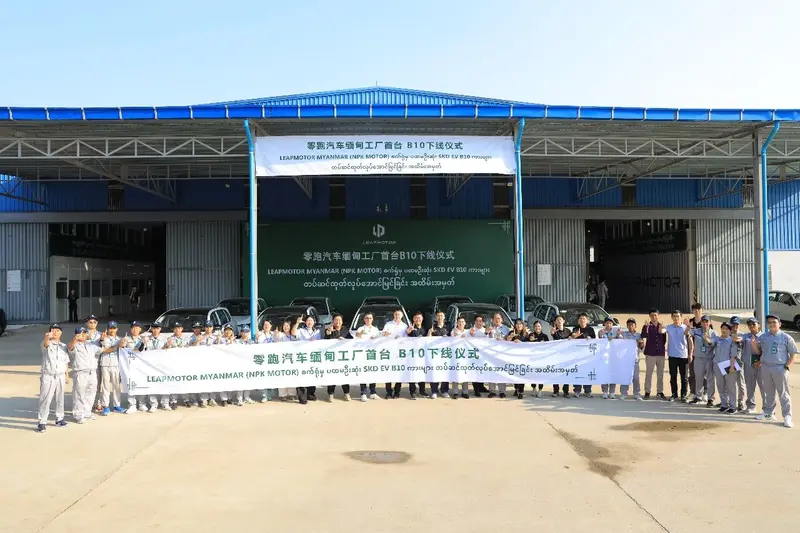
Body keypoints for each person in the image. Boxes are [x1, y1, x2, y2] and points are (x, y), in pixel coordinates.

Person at [751, 314, 796, 428]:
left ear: (779, 324)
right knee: (769, 392)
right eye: (769, 322)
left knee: (783, 393)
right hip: (766, 367)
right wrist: (754, 345)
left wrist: (786, 366)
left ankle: (787, 416)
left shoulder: (786, 337)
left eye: (774, 322)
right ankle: (769, 414)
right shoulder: (764, 337)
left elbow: (793, 353)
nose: (771, 324)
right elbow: (759, 352)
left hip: (779, 368)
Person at [68, 326, 105, 423]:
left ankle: (87, 412)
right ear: (76, 335)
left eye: (84, 333)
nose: (83, 335)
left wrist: (101, 340)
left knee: (91, 393)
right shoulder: (74, 345)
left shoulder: (90, 345)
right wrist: (75, 339)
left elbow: (100, 350)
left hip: (92, 372)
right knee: (79, 395)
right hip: (81, 373)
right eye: (80, 333)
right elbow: (70, 348)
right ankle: (78, 415)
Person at [37, 324, 70, 432]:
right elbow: (46, 344)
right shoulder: (46, 343)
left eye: (57, 330)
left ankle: (59, 419)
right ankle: (42, 422)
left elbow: (65, 362)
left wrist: (67, 375)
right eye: (53, 330)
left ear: (61, 333)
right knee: (45, 399)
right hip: (48, 375)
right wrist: (47, 336)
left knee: (60, 398)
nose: (55, 332)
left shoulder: (64, 346)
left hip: (60, 375)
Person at [123, 321, 153, 413]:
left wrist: (144, 342)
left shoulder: (145, 339)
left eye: (137, 327)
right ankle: (132, 405)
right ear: (130, 329)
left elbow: (149, 352)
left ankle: (142, 404)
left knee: (142, 384)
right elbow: (133, 350)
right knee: (131, 385)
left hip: (142, 366)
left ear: (140, 329)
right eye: (133, 327)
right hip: (130, 365)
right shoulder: (126, 339)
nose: (134, 329)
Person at [710, 322, 738, 414]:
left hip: (728, 365)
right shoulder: (717, 339)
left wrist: (732, 366)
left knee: (730, 387)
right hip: (717, 365)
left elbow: (733, 355)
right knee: (720, 386)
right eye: (723, 328)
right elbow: (710, 342)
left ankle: (733, 406)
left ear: (730, 331)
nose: (724, 330)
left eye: (726, 329)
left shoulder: (732, 341)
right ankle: (724, 405)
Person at [689, 315, 717, 407]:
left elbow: (712, 344)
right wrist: (688, 327)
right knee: (698, 378)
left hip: (709, 359)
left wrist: (706, 339)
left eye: (707, 321)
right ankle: (698, 397)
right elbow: (687, 333)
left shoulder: (713, 333)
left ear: (710, 323)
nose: (705, 323)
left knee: (710, 379)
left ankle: (710, 399)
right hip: (698, 358)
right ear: (701, 323)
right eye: (703, 321)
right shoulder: (696, 331)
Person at [99, 321, 125, 415]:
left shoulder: (120, 339)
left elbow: (124, 351)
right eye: (110, 328)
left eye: (114, 328)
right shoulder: (103, 338)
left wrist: (122, 346)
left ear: (117, 329)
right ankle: (105, 406)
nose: (112, 330)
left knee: (116, 386)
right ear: (107, 329)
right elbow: (103, 350)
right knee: (105, 386)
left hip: (116, 364)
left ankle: (117, 405)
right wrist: (116, 347)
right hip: (105, 364)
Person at [665, 310, 692, 402]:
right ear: (672, 317)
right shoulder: (669, 327)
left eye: (678, 316)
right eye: (674, 316)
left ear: (681, 317)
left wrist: (690, 354)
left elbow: (690, 341)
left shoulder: (686, 327)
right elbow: (661, 331)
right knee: (673, 376)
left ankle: (683, 395)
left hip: (683, 356)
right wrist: (660, 327)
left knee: (684, 377)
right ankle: (674, 394)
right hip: (672, 355)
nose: (676, 318)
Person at [684, 303, 709, 401]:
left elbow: (710, 336)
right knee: (692, 372)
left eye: (698, 309)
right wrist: (688, 327)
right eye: (695, 309)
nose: (697, 311)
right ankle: (693, 392)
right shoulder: (690, 322)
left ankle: (705, 392)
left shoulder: (706, 321)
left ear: (702, 310)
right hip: (692, 351)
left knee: (705, 373)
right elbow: (686, 334)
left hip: (704, 352)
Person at [382, 309, 409, 399]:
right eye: (396, 314)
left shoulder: (405, 326)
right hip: (389, 351)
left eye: (399, 314)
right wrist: (385, 334)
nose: (397, 316)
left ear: (402, 316)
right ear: (393, 315)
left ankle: (397, 392)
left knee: (399, 371)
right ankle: (388, 392)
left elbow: (407, 338)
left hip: (400, 352)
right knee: (388, 371)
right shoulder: (388, 324)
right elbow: (383, 334)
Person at [641, 309, 667, 400]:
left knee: (660, 374)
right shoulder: (647, 326)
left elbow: (664, 340)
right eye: (652, 315)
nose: (654, 317)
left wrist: (662, 330)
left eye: (655, 315)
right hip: (650, 353)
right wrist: (646, 327)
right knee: (649, 373)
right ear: (649, 316)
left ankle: (659, 391)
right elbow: (643, 335)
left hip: (660, 353)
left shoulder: (662, 326)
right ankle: (647, 391)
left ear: (658, 316)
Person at [192, 320, 219, 407]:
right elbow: (193, 349)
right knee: (203, 381)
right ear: (204, 328)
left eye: (210, 326)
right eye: (207, 326)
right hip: (202, 362)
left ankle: (212, 399)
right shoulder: (200, 337)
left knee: (213, 381)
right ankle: (204, 399)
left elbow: (220, 349)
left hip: (213, 362)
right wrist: (197, 341)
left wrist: (218, 340)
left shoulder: (215, 337)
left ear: (212, 327)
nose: (208, 328)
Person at [294, 315, 321, 403]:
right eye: (308, 320)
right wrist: (297, 323)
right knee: (302, 375)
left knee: (312, 374)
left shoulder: (317, 332)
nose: (309, 322)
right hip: (303, 356)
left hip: (313, 357)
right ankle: (302, 397)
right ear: (305, 322)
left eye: (311, 320)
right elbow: (294, 333)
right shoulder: (301, 330)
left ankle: (310, 394)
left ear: (314, 322)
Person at [325, 314, 352, 401]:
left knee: (344, 375)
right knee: (332, 375)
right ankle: (331, 394)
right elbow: (325, 339)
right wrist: (328, 332)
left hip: (343, 358)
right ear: (333, 321)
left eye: (339, 320)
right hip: (332, 358)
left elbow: (351, 340)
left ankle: (346, 393)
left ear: (342, 321)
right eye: (336, 320)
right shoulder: (329, 329)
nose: (338, 322)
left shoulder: (345, 330)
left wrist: (345, 340)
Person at [740, 318, 765, 415]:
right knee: (750, 386)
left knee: (764, 387)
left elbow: (766, 351)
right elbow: (737, 338)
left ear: (758, 325)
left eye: (753, 324)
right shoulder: (746, 336)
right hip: (748, 365)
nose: (751, 326)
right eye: (749, 324)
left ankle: (767, 409)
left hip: (761, 366)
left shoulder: (764, 337)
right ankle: (751, 406)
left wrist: (760, 361)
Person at [355, 312, 380, 401]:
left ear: (372, 319)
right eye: (367, 318)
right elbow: (356, 337)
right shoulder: (361, 328)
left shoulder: (375, 329)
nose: (368, 320)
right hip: (363, 354)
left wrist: (375, 339)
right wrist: (361, 333)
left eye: (370, 318)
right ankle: (363, 393)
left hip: (372, 354)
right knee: (363, 373)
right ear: (364, 319)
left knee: (372, 372)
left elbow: (379, 340)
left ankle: (373, 392)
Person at [570, 313, 596, 397]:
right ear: (578, 321)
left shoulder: (590, 329)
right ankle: (577, 390)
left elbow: (595, 341)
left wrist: (590, 339)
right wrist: (575, 336)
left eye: (584, 318)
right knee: (578, 372)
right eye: (580, 318)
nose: (582, 320)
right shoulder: (575, 329)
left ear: (587, 320)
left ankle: (587, 391)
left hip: (587, 355)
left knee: (587, 372)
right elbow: (571, 338)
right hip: (577, 355)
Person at [142, 323, 166, 411]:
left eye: (157, 328)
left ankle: (165, 403)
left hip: (161, 365)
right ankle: (153, 404)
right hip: (150, 365)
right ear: (151, 329)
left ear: (160, 329)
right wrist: (143, 343)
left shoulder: (165, 339)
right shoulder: (146, 339)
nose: (155, 330)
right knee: (151, 384)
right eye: (154, 328)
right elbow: (141, 351)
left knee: (164, 384)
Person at [618, 318, 643, 401]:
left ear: (635, 326)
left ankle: (636, 393)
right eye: (629, 325)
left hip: (635, 359)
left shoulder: (639, 335)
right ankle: (623, 393)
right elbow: (619, 343)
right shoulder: (624, 334)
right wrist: (618, 335)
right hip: (625, 359)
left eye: (632, 324)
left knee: (636, 378)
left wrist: (641, 343)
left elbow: (642, 348)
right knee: (625, 376)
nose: (630, 326)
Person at [485, 313, 510, 397]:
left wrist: (503, 340)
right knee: (491, 371)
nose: (497, 320)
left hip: (502, 353)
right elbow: (484, 340)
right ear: (492, 320)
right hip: (491, 353)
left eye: (499, 318)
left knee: (501, 372)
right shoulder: (490, 328)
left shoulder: (506, 329)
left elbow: (509, 340)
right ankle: (492, 391)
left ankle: (502, 391)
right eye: (495, 318)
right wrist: (486, 333)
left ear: (502, 319)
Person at [427, 311, 450, 399]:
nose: (440, 317)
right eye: (438, 316)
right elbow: (427, 340)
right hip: (435, 354)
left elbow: (453, 338)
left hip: (445, 354)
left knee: (445, 372)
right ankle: (434, 391)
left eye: (441, 316)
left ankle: (444, 390)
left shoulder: (448, 327)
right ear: (436, 318)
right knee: (434, 372)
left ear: (444, 317)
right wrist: (429, 333)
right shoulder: (432, 327)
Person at [163, 322, 186, 409]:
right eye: (175, 328)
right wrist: (168, 346)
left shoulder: (186, 339)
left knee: (184, 381)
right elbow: (164, 350)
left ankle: (186, 400)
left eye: (179, 328)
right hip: (173, 364)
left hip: (183, 363)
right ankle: (173, 401)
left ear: (182, 329)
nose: (177, 330)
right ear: (173, 329)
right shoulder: (169, 339)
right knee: (173, 382)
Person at [406, 311, 428, 400]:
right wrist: (409, 331)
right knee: (412, 373)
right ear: (413, 319)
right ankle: (413, 392)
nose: (417, 319)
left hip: (422, 356)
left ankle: (422, 391)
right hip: (412, 356)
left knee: (422, 373)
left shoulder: (425, 329)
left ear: (422, 319)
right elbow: (406, 334)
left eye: (419, 318)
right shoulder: (410, 328)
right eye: (416, 318)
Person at [233, 326, 257, 406]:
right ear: (240, 332)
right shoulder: (236, 341)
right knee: (240, 382)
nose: (245, 333)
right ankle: (239, 399)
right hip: (239, 364)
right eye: (243, 331)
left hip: (248, 364)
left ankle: (247, 397)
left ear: (249, 333)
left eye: (246, 332)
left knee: (248, 381)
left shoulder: (252, 342)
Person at [507, 319, 530, 399]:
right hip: (513, 357)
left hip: (523, 357)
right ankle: (516, 388)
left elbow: (530, 344)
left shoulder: (526, 334)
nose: (519, 325)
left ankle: (521, 391)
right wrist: (510, 337)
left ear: (523, 325)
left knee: (521, 374)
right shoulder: (511, 332)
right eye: (517, 324)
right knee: (515, 373)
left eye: (520, 324)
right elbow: (505, 341)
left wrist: (521, 342)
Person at [550, 315, 572, 398]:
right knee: (556, 372)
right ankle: (555, 390)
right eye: (557, 320)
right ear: (555, 322)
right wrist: (552, 333)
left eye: (560, 319)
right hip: (557, 355)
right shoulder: (554, 330)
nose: (559, 321)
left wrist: (572, 337)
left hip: (566, 355)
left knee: (566, 373)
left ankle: (566, 391)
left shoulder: (568, 331)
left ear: (563, 321)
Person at [216, 324, 238, 406]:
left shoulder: (235, 340)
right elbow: (216, 349)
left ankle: (229, 398)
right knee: (222, 381)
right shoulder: (220, 339)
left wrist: (231, 341)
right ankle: (223, 399)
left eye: (229, 330)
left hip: (231, 363)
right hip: (221, 363)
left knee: (230, 381)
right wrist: (218, 340)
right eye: (226, 330)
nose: (228, 332)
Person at [728, 316, 747, 412]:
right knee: (729, 383)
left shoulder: (742, 335)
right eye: (733, 324)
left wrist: (734, 338)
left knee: (741, 383)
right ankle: (730, 401)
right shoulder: (727, 333)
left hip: (739, 362)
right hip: (728, 361)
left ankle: (741, 402)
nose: (735, 326)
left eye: (736, 324)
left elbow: (739, 340)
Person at [450, 316, 470, 399]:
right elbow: (452, 339)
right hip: (456, 356)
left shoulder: (468, 332)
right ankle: (455, 392)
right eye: (459, 322)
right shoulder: (453, 331)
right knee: (456, 373)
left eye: (462, 322)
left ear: (465, 323)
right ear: (457, 323)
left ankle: (465, 392)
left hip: (466, 356)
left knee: (465, 372)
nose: (461, 323)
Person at [527, 321, 548, 398]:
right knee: (533, 374)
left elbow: (548, 346)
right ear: (533, 327)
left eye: (539, 326)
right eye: (535, 326)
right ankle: (534, 388)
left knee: (541, 375)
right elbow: (525, 345)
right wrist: (530, 340)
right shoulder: (531, 335)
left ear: (541, 327)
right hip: (532, 358)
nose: (537, 327)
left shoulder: (545, 336)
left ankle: (540, 390)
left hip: (541, 359)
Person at [598, 317, 618, 399]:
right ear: (604, 324)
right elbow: (598, 342)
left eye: (610, 323)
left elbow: (621, 341)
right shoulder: (601, 331)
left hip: (613, 356)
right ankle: (605, 392)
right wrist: (600, 335)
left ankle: (612, 392)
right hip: (604, 356)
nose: (608, 324)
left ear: (612, 324)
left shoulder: (616, 332)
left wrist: (617, 336)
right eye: (607, 323)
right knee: (604, 374)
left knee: (613, 374)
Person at [256, 320, 276, 403]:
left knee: (271, 377)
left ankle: (270, 395)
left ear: (271, 326)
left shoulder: (274, 334)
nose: (266, 326)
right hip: (263, 359)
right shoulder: (260, 334)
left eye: (268, 324)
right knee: (263, 378)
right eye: (265, 325)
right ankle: (264, 395)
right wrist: (257, 338)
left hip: (272, 359)